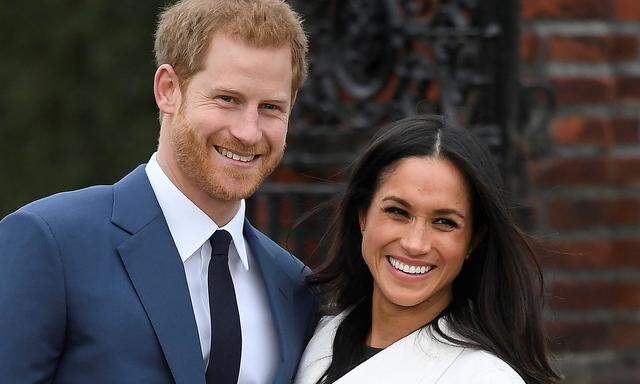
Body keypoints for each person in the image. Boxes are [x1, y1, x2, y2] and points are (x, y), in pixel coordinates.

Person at [0, 1, 317, 383]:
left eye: (270, 107)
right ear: (168, 89)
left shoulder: (295, 287)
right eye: (227, 99)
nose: (248, 132)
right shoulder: (52, 243)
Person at [294, 115, 561, 384]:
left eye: (445, 222)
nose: (415, 243)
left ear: (473, 240)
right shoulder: (315, 336)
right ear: (362, 215)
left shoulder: (485, 377)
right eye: (397, 212)